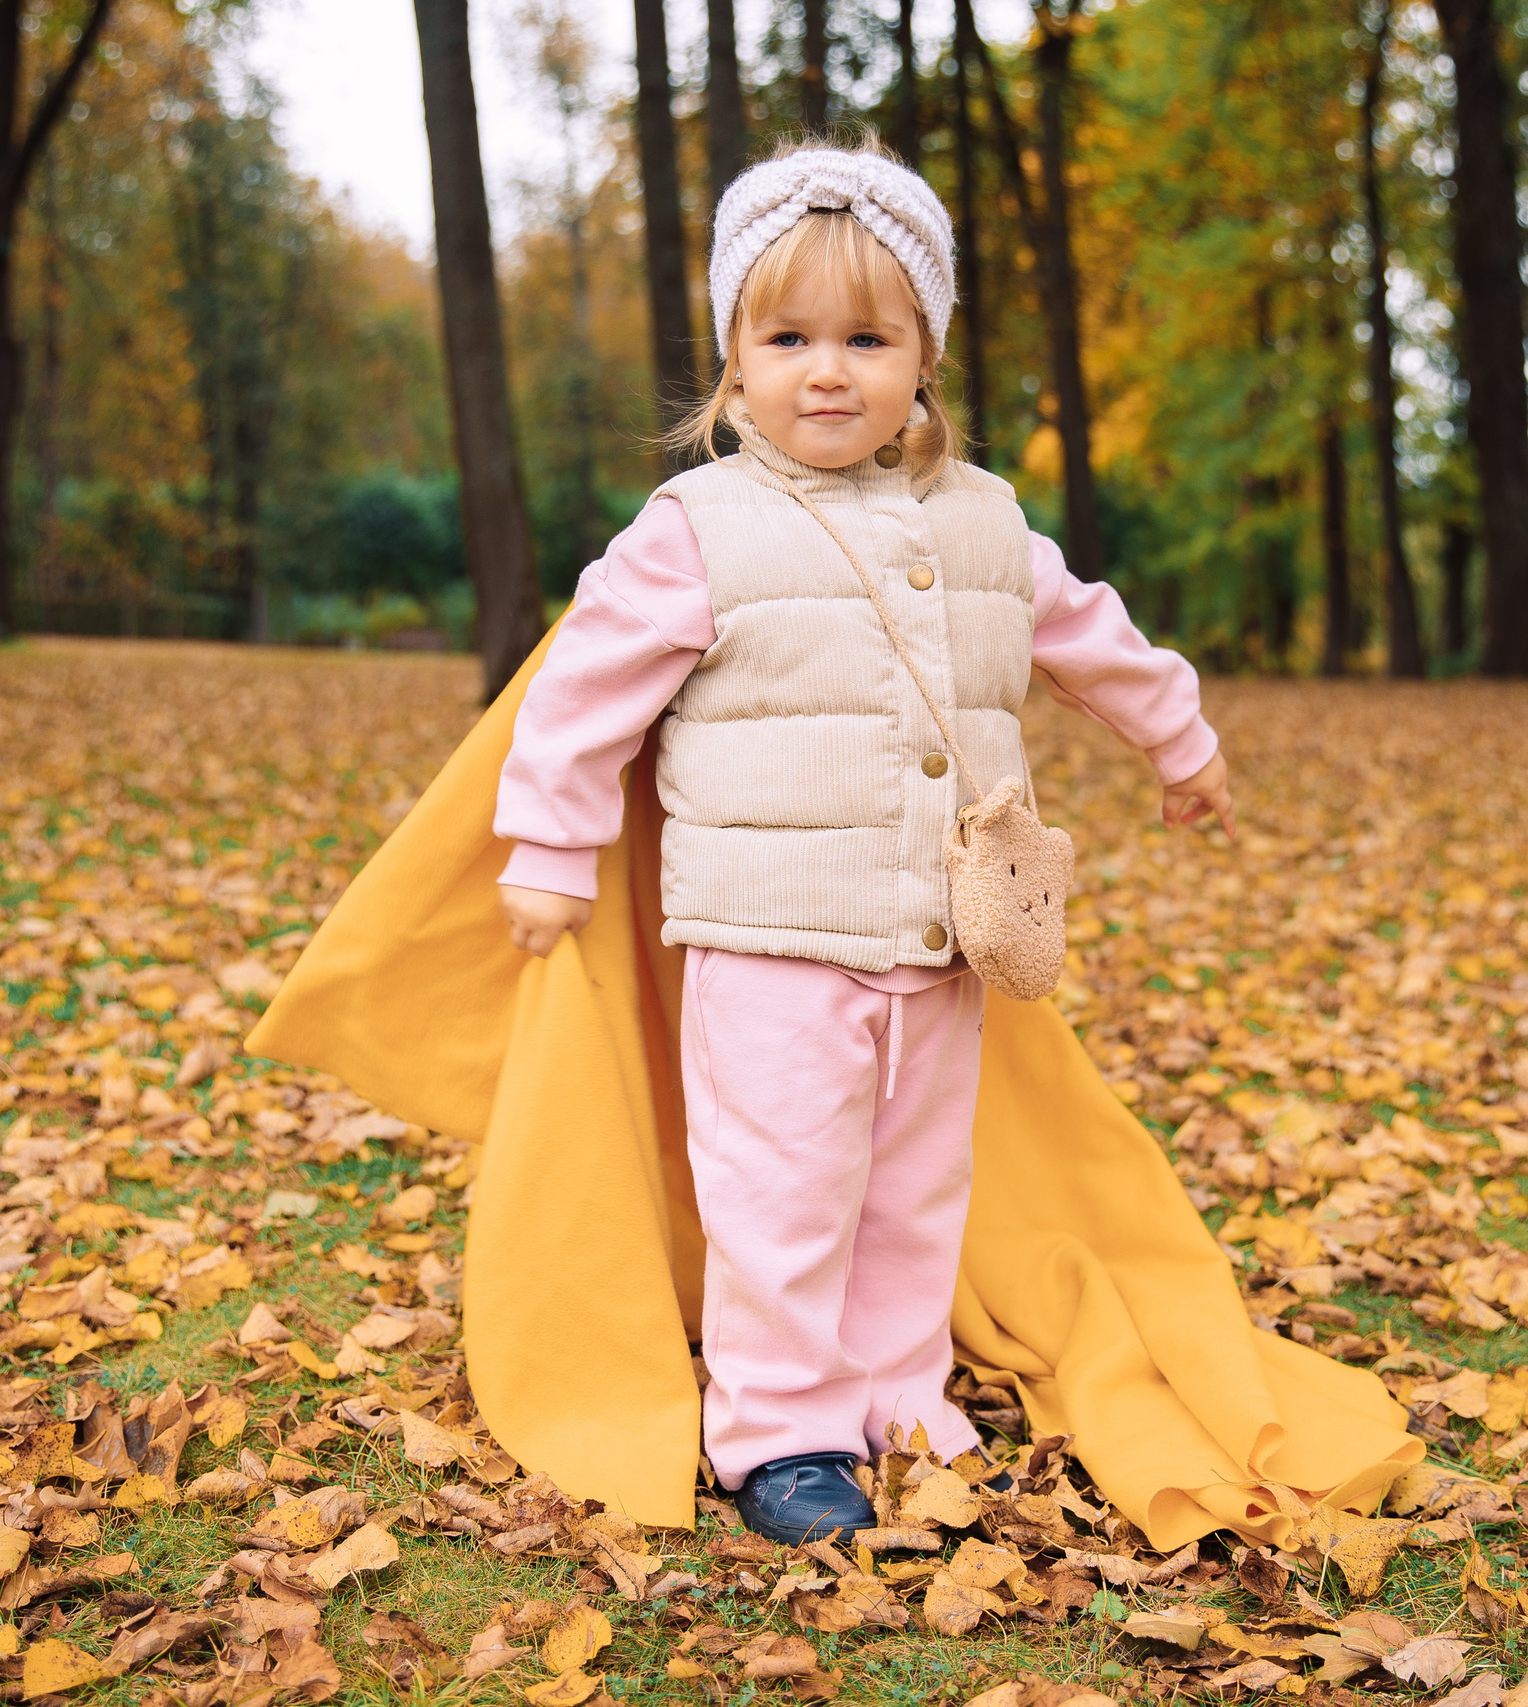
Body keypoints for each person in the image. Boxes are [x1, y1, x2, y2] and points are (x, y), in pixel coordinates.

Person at [489, 142, 1235, 1544]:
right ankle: (779, 1431)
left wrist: (1179, 745)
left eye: (866, 338)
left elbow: (1093, 640)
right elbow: (579, 694)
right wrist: (547, 848)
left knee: (910, 1183)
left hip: (935, 934)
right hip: (768, 937)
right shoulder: (696, 529)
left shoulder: (986, 521)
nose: (826, 372)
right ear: (733, 361)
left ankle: (897, 1391)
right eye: (787, 339)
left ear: (922, 355)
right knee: (781, 1189)